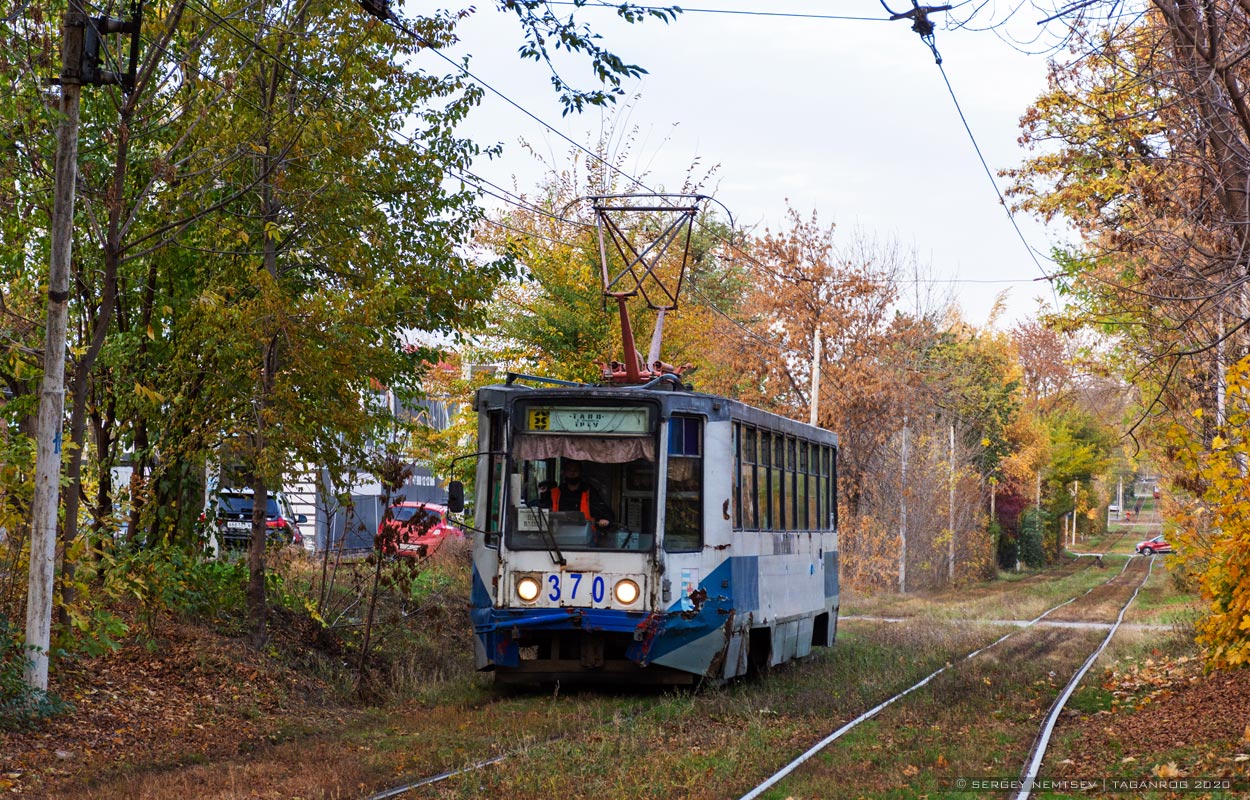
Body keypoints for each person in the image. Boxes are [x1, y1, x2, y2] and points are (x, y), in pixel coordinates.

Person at [539, 460, 613, 532]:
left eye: (575, 470)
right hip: (559, 535)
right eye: (569, 470)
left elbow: (603, 510)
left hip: (584, 537)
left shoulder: (588, 491)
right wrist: (543, 494)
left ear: (580, 473)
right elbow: (543, 511)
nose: (572, 473)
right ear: (564, 472)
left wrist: (604, 519)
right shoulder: (556, 492)